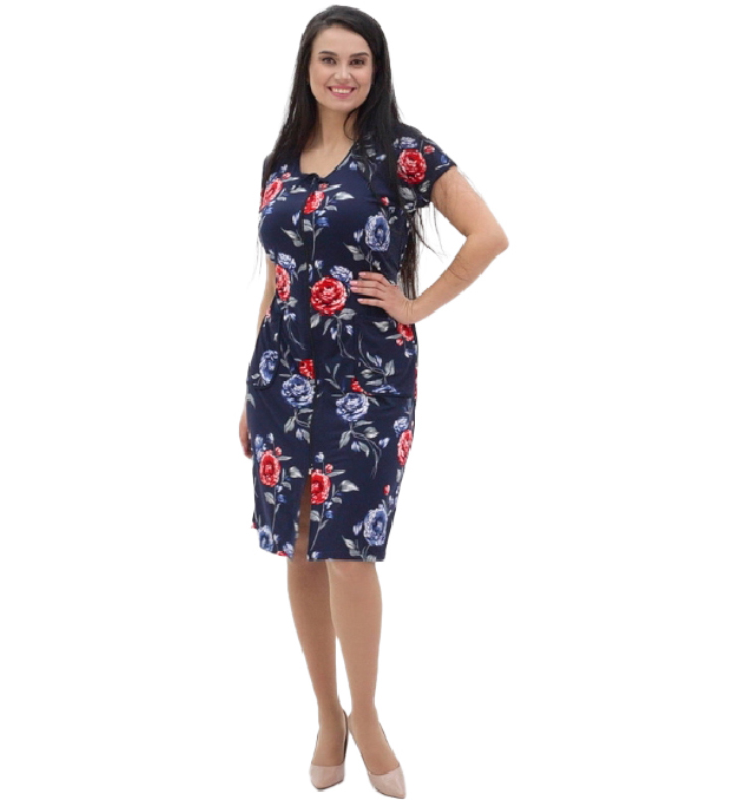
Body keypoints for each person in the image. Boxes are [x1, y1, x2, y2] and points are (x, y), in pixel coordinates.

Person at [238, 5, 508, 797]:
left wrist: (417, 306)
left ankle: (368, 713)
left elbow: (489, 234)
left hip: (370, 382)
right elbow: (276, 279)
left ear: (376, 70)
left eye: (358, 61)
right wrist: (249, 388)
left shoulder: (401, 152)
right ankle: (327, 715)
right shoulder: (281, 161)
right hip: (281, 380)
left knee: (349, 550)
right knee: (298, 546)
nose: (343, 74)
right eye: (329, 59)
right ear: (307, 67)